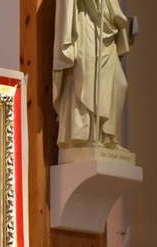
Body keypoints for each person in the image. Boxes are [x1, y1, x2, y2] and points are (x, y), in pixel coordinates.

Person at [53, 0, 129, 149]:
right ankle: (87, 136)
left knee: (119, 84)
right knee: (87, 80)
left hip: (107, 27)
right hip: (87, 22)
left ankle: (107, 134)